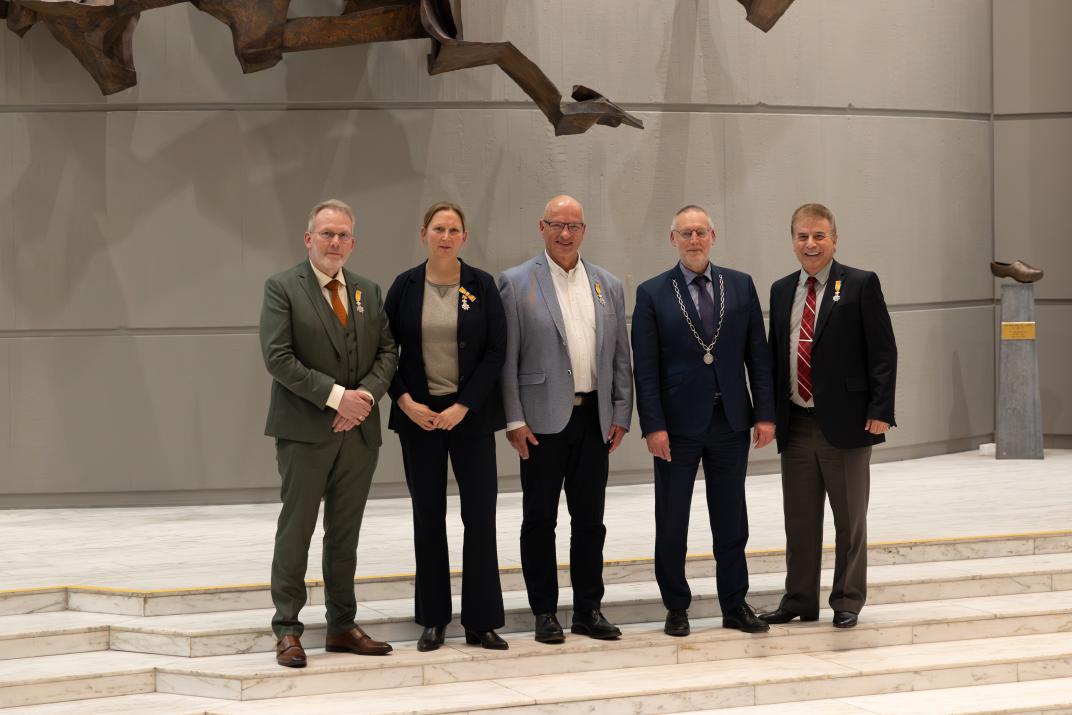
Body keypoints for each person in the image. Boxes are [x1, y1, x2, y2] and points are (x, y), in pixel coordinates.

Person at [259, 198, 398, 668]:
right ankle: (287, 628)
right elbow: (278, 358)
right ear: (308, 239)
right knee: (296, 529)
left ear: (352, 243)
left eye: (343, 236)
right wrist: (339, 397)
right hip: (304, 432)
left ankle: (341, 624)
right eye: (326, 234)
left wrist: (364, 401)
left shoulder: (367, 290)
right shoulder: (282, 287)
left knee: (345, 533)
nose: (335, 242)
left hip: (358, 434)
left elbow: (387, 353)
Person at [631, 204, 775, 638]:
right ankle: (676, 606)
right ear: (672, 239)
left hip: (731, 422)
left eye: (701, 232)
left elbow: (759, 357)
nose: (694, 240)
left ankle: (735, 603)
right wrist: (652, 425)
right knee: (672, 520)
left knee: (731, 518)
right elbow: (646, 368)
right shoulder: (652, 292)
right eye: (685, 233)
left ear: (712, 236)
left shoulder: (740, 284)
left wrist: (764, 414)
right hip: (676, 428)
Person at [499, 195, 633, 644]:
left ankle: (587, 609)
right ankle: (544, 612)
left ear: (584, 230)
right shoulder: (516, 282)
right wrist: (513, 419)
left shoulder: (607, 284)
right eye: (557, 224)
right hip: (540, 422)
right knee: (540, 519)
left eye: (573, 226)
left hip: (595, 418)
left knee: (590, 520)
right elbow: (507, 359)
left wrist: (621, 412)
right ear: (542, 227)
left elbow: (619, 357)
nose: (565, 234)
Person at [760, 203, 897, 630]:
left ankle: (847, 599)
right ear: (793, 241)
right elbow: (773, 357)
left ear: (835, 239)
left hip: (848, 424)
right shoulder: (782, 290)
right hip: (796, 423)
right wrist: (767, 414)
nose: (811, 244)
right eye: (802, 236)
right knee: (799, 520)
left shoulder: (859, 284)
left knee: (849, 520)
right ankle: (799, 598)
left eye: (819, 236)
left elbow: (883, 352)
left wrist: (881, 411)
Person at [384, 201, 509, 652]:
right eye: (438, 228)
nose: (445, 236)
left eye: (453, 229)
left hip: (469, 420)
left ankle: (481, 621)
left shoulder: (481, 285)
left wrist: (465, 405)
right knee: (428, 516)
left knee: (480, 517)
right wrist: (405, 401)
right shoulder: (405, 286)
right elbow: (384, 351)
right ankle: (433, 618)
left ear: (464, 237)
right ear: (423, 234)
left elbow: (497, 350)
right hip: (419, 418)